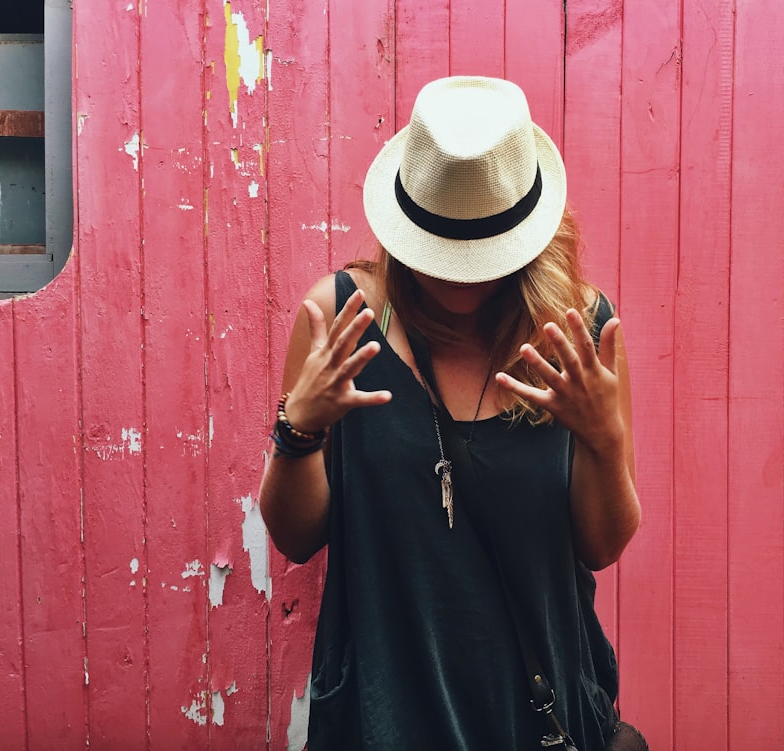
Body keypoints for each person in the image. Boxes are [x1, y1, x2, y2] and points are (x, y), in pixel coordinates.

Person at [259, 76, 643, 751]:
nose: (461, 275)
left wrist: (606, 440)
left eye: (479, 251)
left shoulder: (580, 331)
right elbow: (295, 537)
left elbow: (602, 545)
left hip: (540, 713)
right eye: (445, 249)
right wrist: (300, 429)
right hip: (384, 715)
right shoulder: (342, 317)